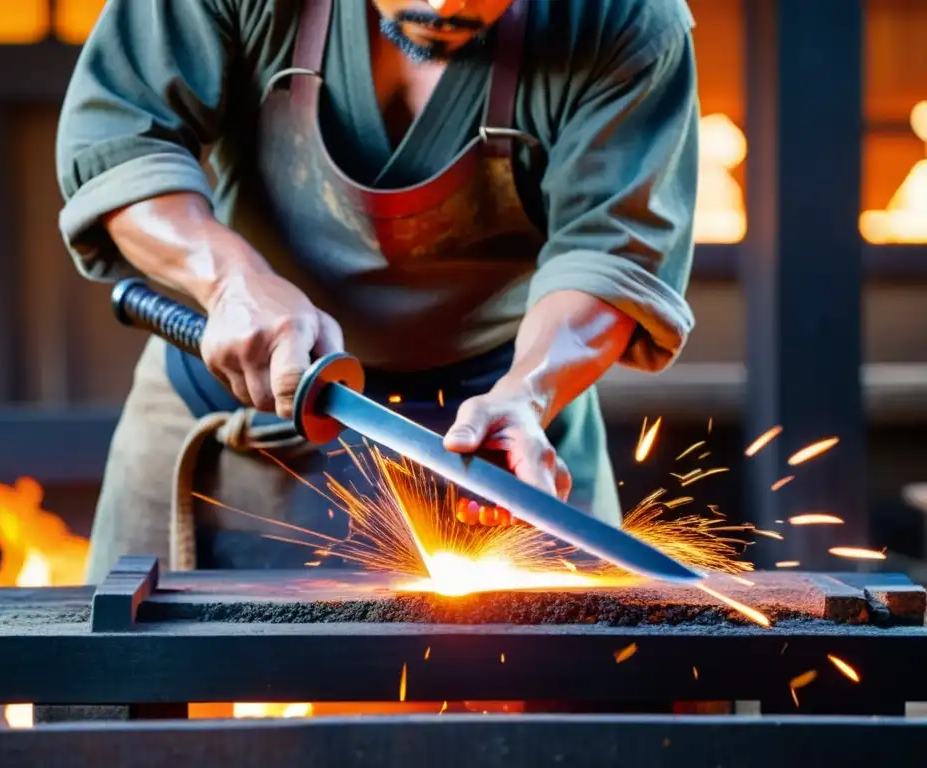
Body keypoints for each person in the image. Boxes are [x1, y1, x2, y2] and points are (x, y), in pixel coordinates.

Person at [55, 0, 699, 584]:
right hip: (223, 425)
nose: (446, 4)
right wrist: (230, 282)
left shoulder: (627, 19)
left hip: (503, 460)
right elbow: (120, 142)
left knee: (572, 700)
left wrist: (528, 392)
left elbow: (609, 251)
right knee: (118, 696)